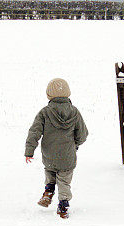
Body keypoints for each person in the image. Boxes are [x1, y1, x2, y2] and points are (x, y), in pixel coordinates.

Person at [24, 78, 88, 218]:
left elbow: (34, 132)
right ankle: (63, 205)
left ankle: (48, 191)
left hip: (49, 154)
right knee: (64, 180)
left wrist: (29, 151)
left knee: (50, 171)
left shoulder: (44, 112)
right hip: (67, 155)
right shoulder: (74, 112)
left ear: (49, 94)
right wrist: (75, 144)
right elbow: (83, 134)